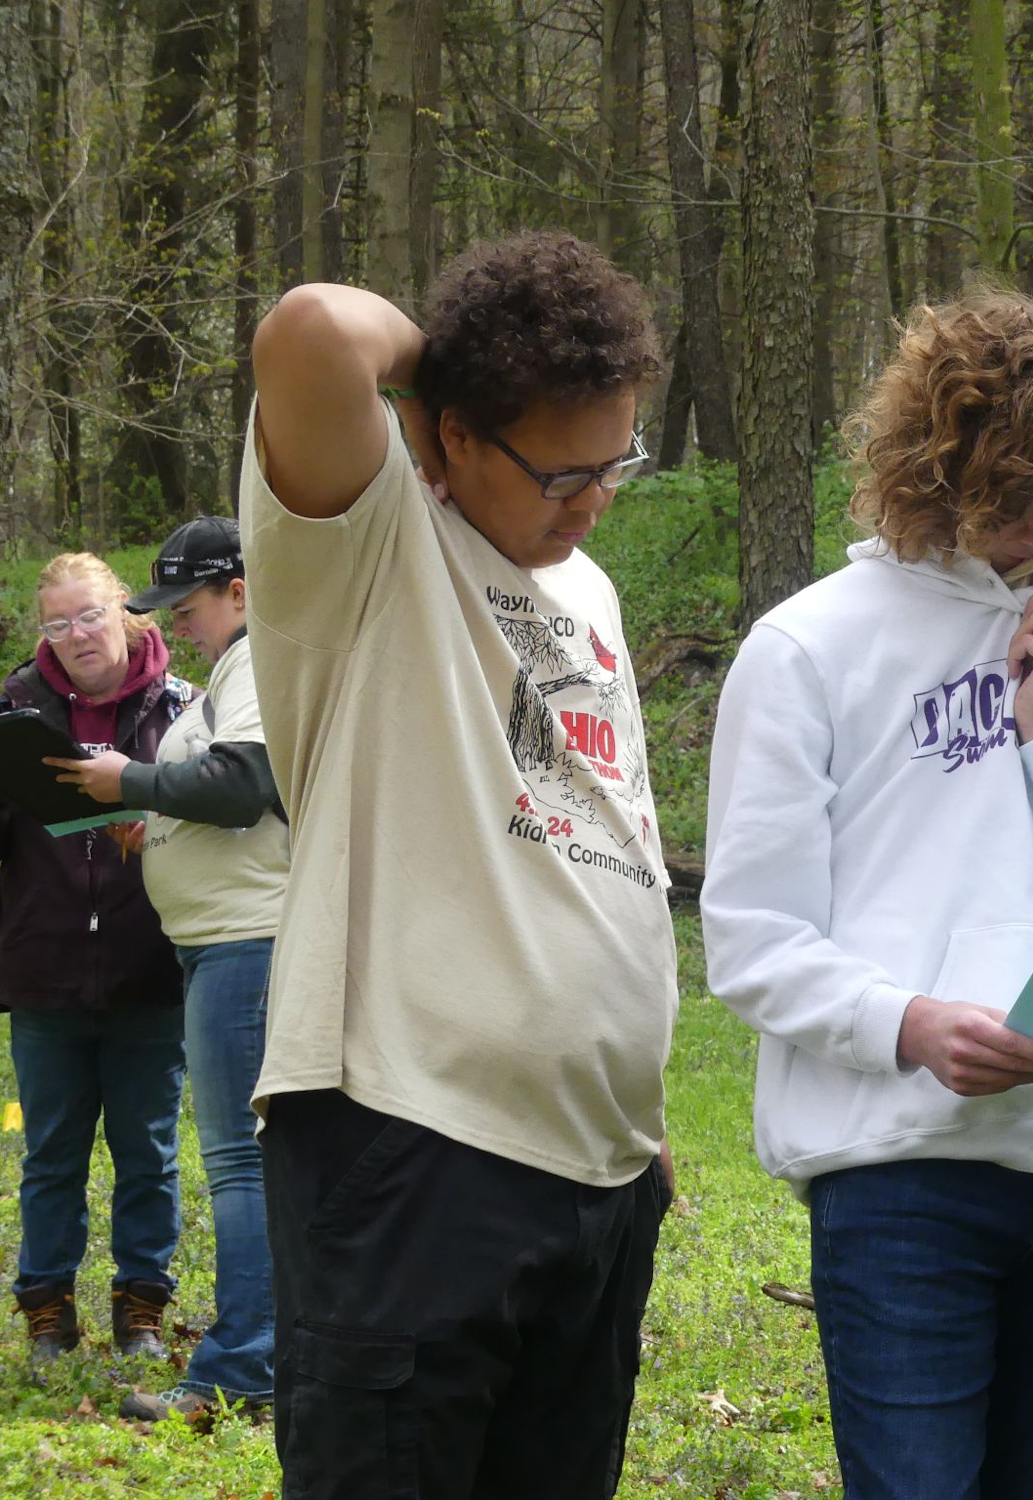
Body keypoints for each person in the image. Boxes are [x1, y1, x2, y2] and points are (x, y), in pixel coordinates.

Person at [701, 290, 1033, 1500]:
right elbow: (750, 935)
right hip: (900, 1168)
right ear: (934, 473)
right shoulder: (806, 649)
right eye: (1018, 500)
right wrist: (909, 1025)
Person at [240, 230, 679, 1496]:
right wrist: (457, 372)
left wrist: (631, 1108)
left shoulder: (584, 587)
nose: (592, 500)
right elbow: (315, 329)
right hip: (414, 1144)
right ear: (448, 438)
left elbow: (608, 842)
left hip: (598, 1164)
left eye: (617, 464)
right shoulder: (368, 548)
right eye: (561, 472)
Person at [49, 517, 287, 1422]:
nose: (177, 626)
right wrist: (159, 820)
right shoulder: (230, 674)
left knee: (241, 1164)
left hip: (249, 942)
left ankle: (244, 1370)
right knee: (251, 1161)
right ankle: (268, 1355)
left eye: (186, 608)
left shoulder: (260, 661)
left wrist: (132, 783)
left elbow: (243, 785)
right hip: (221, 942)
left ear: (241, 590)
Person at [0, 553, 195, 1368]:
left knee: (148, 1149)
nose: (75, 635)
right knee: (51, 1152)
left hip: (150, 968)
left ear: (125, 612)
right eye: (56, 623)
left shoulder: (184, 710)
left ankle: (140, 1307)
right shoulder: (15, 708)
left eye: (88, 615)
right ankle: (48, 1310)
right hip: (45, 969)